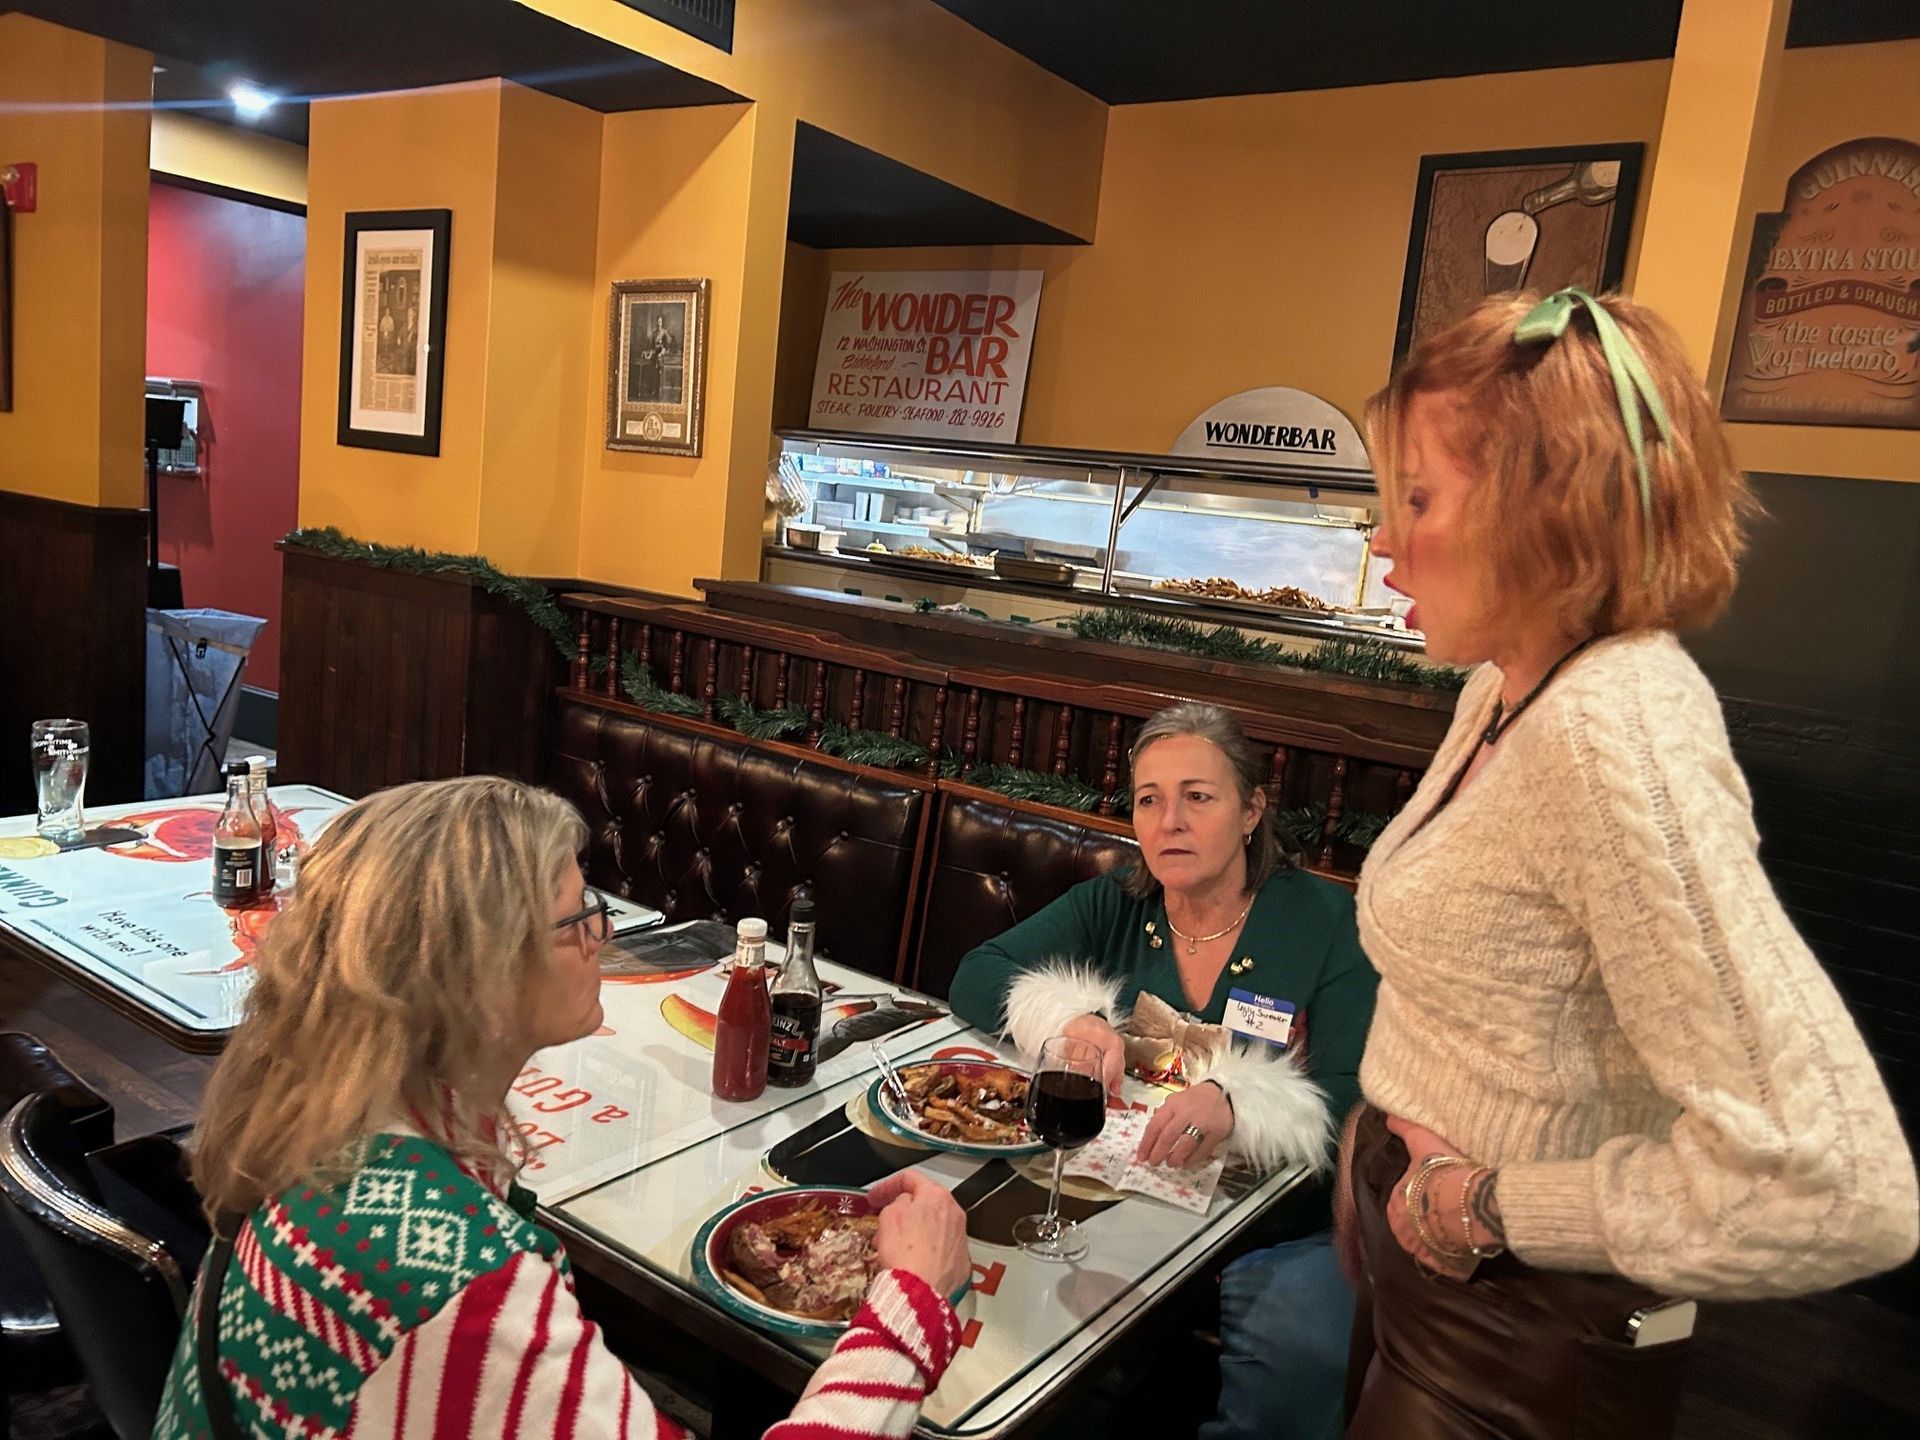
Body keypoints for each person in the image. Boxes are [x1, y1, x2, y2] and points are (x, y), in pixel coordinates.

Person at [1343, 288, 1918, 1439]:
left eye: (1415, 497)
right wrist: (1379, 1167)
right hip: (1424, 1276)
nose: (1384, 541)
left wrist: (1489, 1205)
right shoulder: (1506, 685)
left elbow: (1834, 1184)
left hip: (1515, 1343)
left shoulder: (1618, 731)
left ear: (1545, 504)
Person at [154, 776, 970, 1440]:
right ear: (480, 977)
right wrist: (911, 1304)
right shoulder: (453, 1276)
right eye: (580, 916)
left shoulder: (318, 1123)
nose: (601, 936)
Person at [949, 701, 1378, 1440]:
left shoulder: (1325, 923)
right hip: (1111, 1199)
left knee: (1303, 1349)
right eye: (1150, 799)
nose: (1169, 820)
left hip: (1274, 1225)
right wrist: (1070, 1020)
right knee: (1016, 1332)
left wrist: (1242, 1104)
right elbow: (976, 974)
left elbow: (1358, 1098)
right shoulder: (1113, 902)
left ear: (1251, 811)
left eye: (1198, 797)